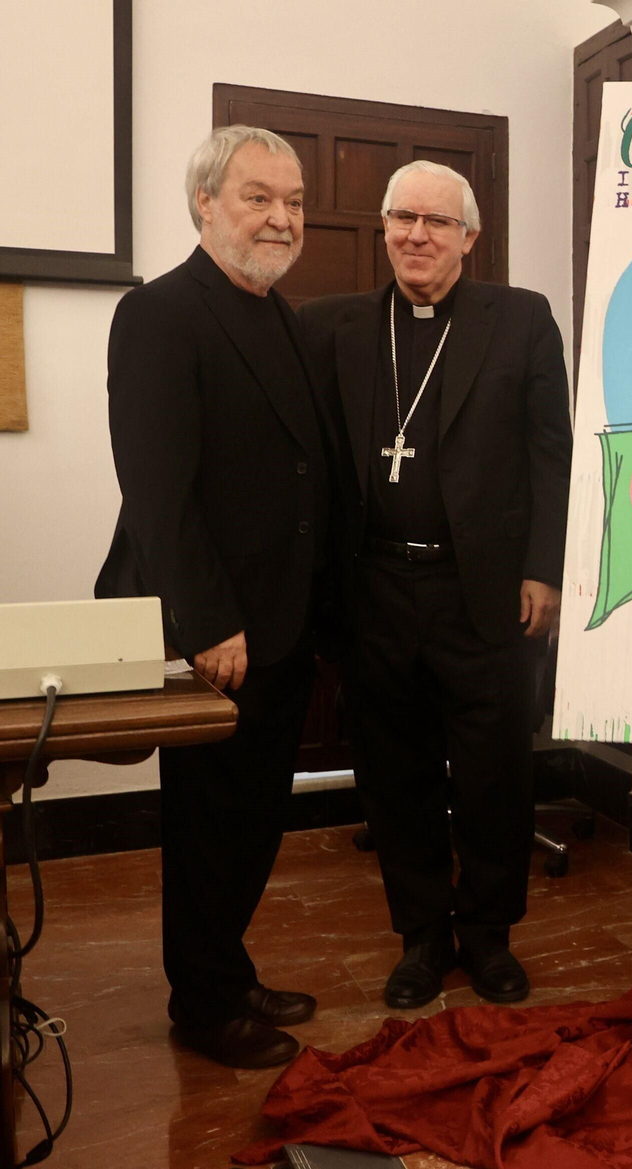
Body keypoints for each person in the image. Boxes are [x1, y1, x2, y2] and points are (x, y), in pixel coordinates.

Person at [300, 161, 571, 1010]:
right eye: (402, 218)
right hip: (376, 584)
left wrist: (545, 568)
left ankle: (488, 935)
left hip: (482, 588)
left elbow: (549, 454)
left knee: (494, 770)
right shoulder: (333, 326)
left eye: (436, 222)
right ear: (383, 226)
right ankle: (422, 935)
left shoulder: (521, 320)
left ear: (470, 236)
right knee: (395, 769)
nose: (416, 235)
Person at [96, 126, 331, 1068]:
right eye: (258, 197)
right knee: (207, 825)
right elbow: (157, 488)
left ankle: (227, 968)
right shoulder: (158, 313)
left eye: (295, 201)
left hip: (285, 621)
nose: (282, 218)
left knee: (253, 816)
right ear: (204, 203)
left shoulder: (286, 318)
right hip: (219, 631)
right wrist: (207, 621)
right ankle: (201, 1004)